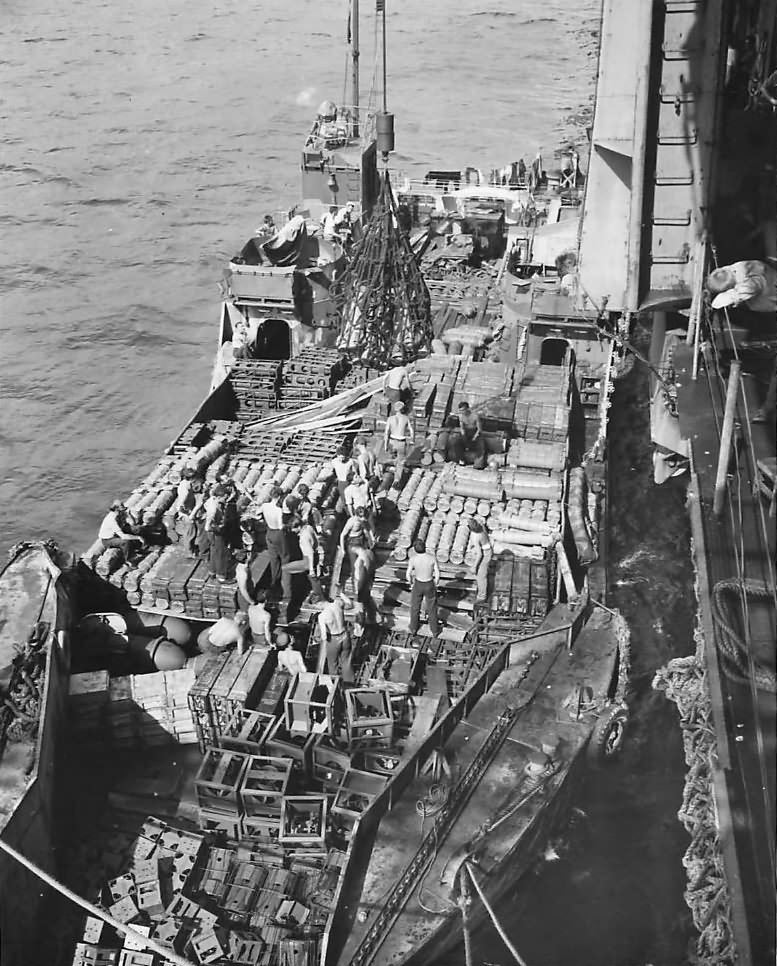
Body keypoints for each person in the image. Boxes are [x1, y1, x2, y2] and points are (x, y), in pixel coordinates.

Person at [706, 260, 777, 313]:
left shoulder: (748, 286)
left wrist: (715, 304)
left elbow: (718, 303)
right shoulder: (737, 267)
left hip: (771, 292)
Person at [260, 486, 291, 598]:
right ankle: (286, 590)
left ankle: (274, 585)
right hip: (278, 534)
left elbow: (258, 514)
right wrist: (288, 526)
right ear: (279, 496)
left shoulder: (264, 506)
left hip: (269, 533)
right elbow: (280, 526)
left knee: (274, 560)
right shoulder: (278, 510)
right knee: (285, 558)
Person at [406, 539, 441, 637]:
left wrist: (411, 583)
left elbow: (408, 573)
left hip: (418, 583)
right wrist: (436, 582)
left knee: (415, 607)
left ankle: (413, 628)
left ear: (415, 549)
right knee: (432, 607)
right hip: (429, 582)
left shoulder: (413, 559)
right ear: (425, 547)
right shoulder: (431, 558)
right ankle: (434, 630)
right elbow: (437, 572)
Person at [317, 596, 354, 682]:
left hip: (333, 639)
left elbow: (324, 636)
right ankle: (349, 683)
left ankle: (336, 685)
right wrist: (342, 595)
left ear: (319, 603)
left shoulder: (322, 616)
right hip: (345, 635)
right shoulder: (337, 604)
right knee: (346, 662)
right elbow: (351, 604)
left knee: (333, 664)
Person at [339, 506, 375, 595]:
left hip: (361, 542)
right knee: (354, 567)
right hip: (353, 544)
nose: (363, 519)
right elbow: (342, 535)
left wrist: (371, 539)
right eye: (361, 517)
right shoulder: (352, 522)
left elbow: (366, 530)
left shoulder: (362, 521)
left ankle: (365, 582)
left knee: (364, 563)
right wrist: (343, 549)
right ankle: (356, 589)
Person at [448, 401, 486, 469]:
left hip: (475, 432)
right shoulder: (461, 416)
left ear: (467, 409)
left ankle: (478, 463)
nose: (462, 412)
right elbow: (462, 428)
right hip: (466, 432)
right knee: (456, 442)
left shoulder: (475, 416)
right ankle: (461, 459)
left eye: (463, 410)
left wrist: (475, 437)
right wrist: (463, 436)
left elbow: (479, 429)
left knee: (480, 444)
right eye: (460, 410)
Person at [295, 517, 324, 602]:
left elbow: (310, 553)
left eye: (294, 528)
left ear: (299, 527)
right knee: (314, 577)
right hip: (316, 552)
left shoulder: (304, 538)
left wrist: (311, 569)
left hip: (309, 557)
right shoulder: (308, 527)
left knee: (313, 577)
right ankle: (317, 593)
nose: (292, 530)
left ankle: (319, 595)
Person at [383, 401, 415, 468]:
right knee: (400, 462)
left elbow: (386, 433)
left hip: (392, 442)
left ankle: (391, 472)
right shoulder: (406, 418)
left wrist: (385, 445)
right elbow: (411, 430)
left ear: (395, 409)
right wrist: (412, 440)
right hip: (401, 442)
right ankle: (397, 477)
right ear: (403, 409)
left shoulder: (390, 419)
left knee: (392, 460)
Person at [468, 519, 493, 604]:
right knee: (482, 573)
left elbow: (480, 554)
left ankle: (482, 597)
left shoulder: (476, 537)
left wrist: (474, 566)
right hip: (487, 548)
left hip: (485, 554)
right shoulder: (481, 525)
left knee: (481, 576)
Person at [329, 446, 355, 511]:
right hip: (341, 483)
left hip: (349, 482)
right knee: (344, 500)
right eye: (340, 457)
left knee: (352, 498)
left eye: (343, 457)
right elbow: (328, 468)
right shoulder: (334, 462)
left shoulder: (350, 462)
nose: (341, 459)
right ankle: (348, 513)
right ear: (337, 455)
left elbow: (355, 472)